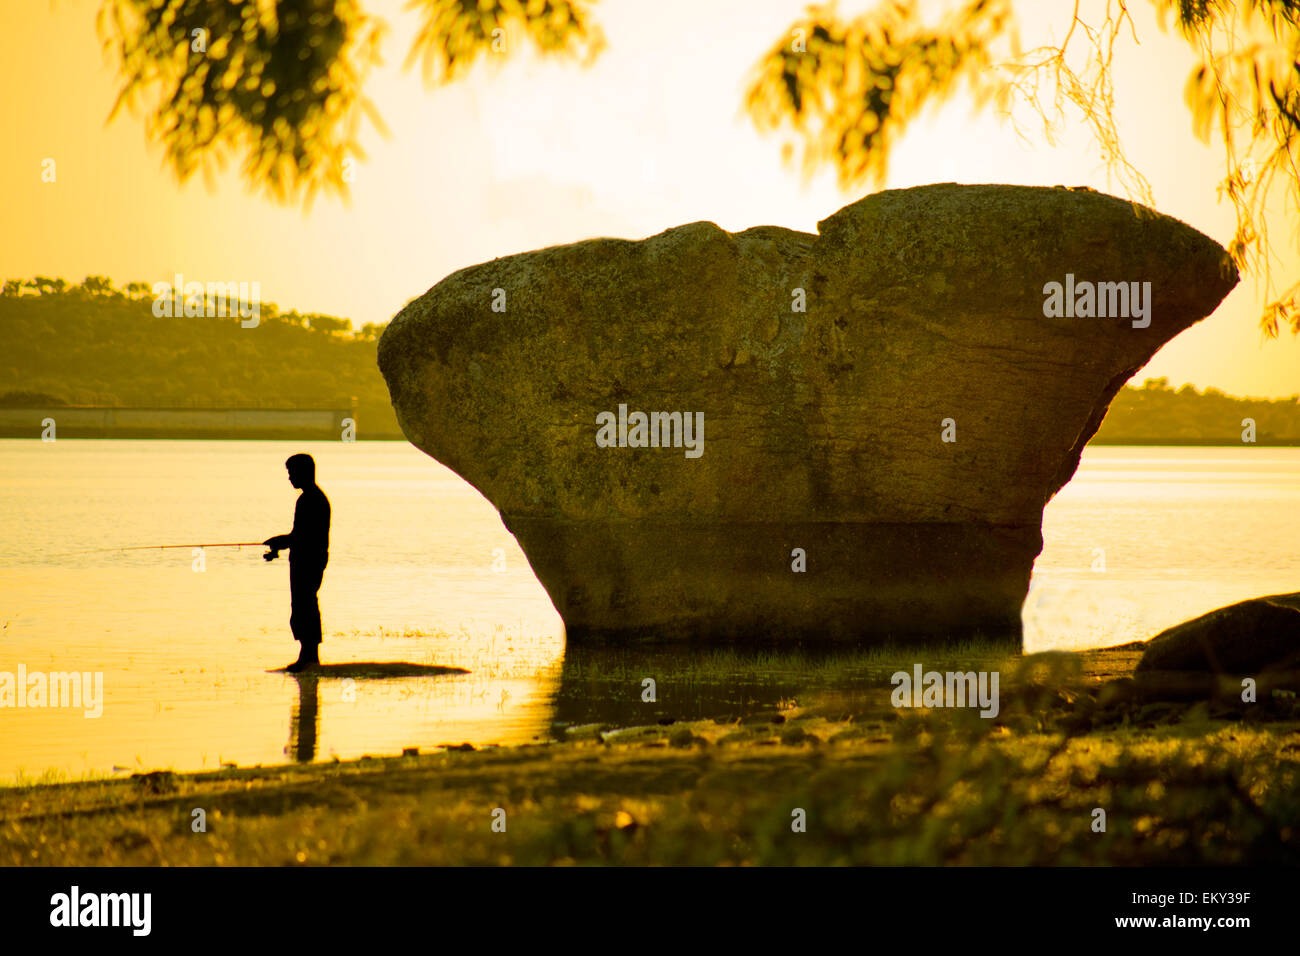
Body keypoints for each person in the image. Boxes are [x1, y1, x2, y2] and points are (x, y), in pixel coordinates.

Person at [264, 453, 330, 671]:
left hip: (309, 560)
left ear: (305, 472)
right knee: (303, 605)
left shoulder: (311, 500)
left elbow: (303, 536)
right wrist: (278, 546)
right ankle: (308, 655)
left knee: (306, 604)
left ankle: (309, 657)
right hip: (306, 558)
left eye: (292, 473)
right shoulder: (309, 498)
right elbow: (299, 535)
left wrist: (280, 541)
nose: (290, 478)